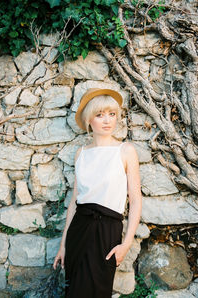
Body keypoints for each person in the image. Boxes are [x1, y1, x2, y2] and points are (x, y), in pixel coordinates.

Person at [53, 88, 142, 298]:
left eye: (112, 114)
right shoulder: (81, 154)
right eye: (99, 115)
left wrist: (126, 244)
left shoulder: (126, 151)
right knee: (74, 291)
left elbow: (136, 201)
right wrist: (63, 245)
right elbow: (74, 202)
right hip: (79, 230)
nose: (107, 120)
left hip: (107, 231)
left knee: (97, 291)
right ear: (88, 120)